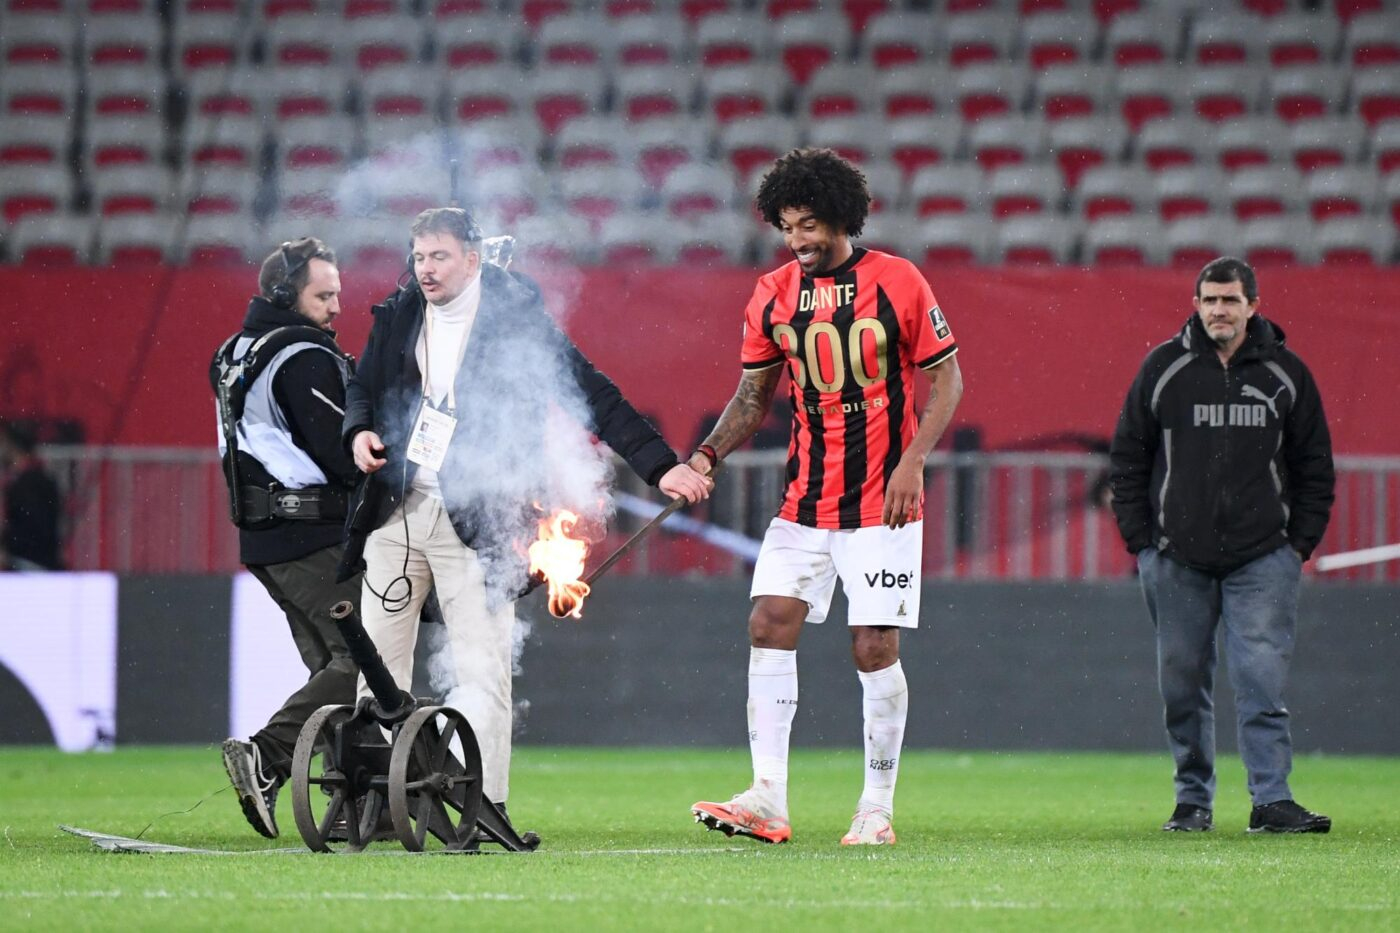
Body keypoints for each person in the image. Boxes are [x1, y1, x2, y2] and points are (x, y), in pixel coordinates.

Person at [341, 207, 711, 829]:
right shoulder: (400, 310)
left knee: (482, 670)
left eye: (439, 256)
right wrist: (358, 431)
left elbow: (591, 392)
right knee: (376, 666)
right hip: (397, 511)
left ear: (472, 258)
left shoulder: (515, 316)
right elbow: (363, 385)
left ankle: (483, 805)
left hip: (481, 520)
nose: (425, 269)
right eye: (419, 256)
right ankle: (373, 803)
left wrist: (661, 467)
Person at [689, 148, 964, 847]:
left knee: (873, 646)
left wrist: (913, 461)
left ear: (841, 217)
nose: (798, 241)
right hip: (805, 500)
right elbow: (753, 396)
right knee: (767, 621)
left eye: (808, 224)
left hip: (883, 504)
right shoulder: (772, 293)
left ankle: (875, 808)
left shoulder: (898, 280)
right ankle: (767, 798)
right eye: (786, 227)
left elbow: (948, 381)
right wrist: (706, 455)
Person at [1109, 256, 1335, 835]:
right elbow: (1128, 456)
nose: (1219, 310)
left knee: (1261, 681)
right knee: (1182, 685)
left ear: (1253, 306)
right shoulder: (1164, 368)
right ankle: (1192, 802)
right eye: (1209, 300)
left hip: (1264, 557)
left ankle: (1271, 801)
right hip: (1175, 557)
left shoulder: (1287, 374)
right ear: (1196, 305)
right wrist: (1144, 543)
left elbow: (1314, 465)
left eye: (1230, 300)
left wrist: (1297, 544)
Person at [211, 237, 363, 839]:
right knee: (362, 661)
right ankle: (268, 756)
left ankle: (355, 802)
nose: (336, 307)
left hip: (263, 536)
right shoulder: (304, 356)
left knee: (331, 666)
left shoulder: (233, 351)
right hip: (310, 532)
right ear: (285, 295)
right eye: (324, 296)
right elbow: (344, 455)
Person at [0, 420, 64, 571]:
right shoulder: (34, 478)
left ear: (11, 445)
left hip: (30, 565)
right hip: (33, 562)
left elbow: (34, 528)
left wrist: (8, 546)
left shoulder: (30, 483)